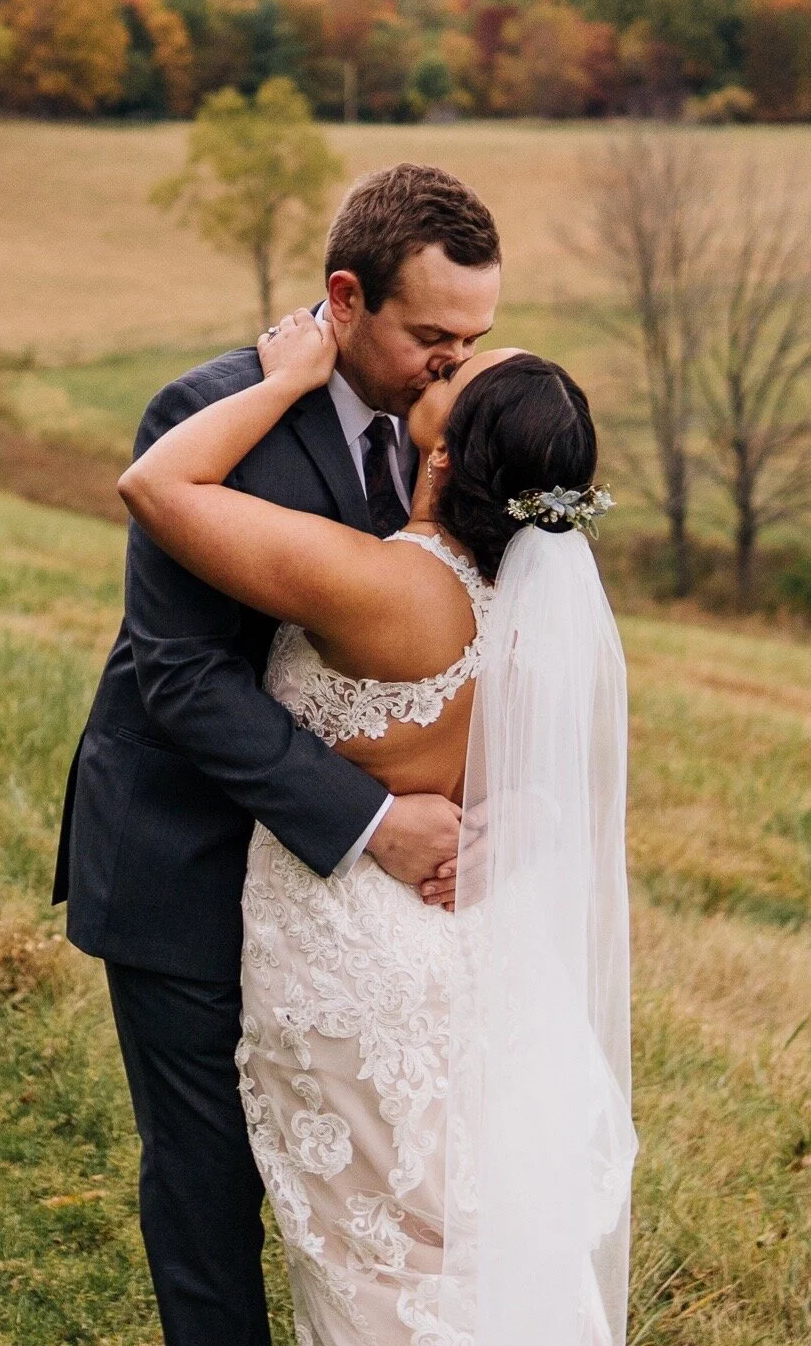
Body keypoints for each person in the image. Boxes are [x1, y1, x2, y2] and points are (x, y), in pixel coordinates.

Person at [114, 308, 638, 1340]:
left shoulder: (388, 588)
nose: (438, 364)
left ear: (443, 454)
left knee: (372, 1264)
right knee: (449, 1243)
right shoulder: (531, 608)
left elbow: (158, 488)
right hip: (466, 958)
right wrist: (520, 817)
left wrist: (280, 383)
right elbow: (554, 776)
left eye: (457, 370)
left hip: (354, 960)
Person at [53, 164, 509, 1343]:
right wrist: (373, 821)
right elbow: (182, 674)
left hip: (341, 908)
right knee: (209, 1188)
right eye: (431, 336)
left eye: (476, 337)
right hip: (183, 852)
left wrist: (475, 808)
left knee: (354, 1187)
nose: (454, 364)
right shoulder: (203, 415)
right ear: (345, 299)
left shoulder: (452, 436)